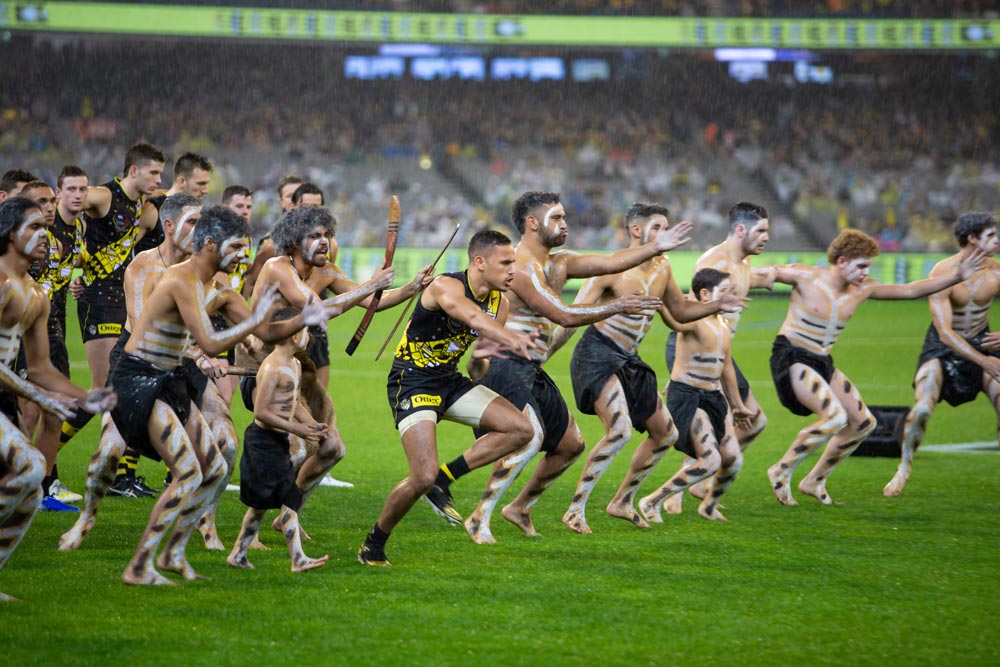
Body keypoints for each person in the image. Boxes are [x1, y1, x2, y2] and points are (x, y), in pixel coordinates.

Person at [83, 205, 332, 585]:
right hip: (137, 379)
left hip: (168, 380)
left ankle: (173, 554)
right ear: (211, 245)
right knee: (187, 471)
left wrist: (305, 318)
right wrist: (253, 319)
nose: (244, 256)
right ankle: (138, 566)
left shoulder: (223, 289)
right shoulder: (181, 280)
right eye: (237, 248)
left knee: (214, 468)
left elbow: (264, 333)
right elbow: (209, 342)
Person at [434, 191, 689, 545]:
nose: (564, 224)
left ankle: (519, 508)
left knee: (571, 444)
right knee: (530, 435)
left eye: (565, 216)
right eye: (556, 218)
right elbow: (564, 314)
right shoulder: (520, 265)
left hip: (532, 367)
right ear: (532, 223)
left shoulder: (560, 262)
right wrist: (617, 306)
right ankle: (479, 515)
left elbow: (611, 262)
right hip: (505, 362)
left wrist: (654, 246)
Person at [60, 194, 237, 552]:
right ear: (169, 227)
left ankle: (207, 522)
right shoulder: (143, 265)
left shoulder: (207, 267)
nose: (200, 231)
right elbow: (144, 324)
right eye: (192, 222)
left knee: (227, 444)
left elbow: (235, 315)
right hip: (139, 366)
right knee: (107, 455)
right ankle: (86, 517)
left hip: (184, 367)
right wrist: (202, 351)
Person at [557, 203, 746, 532]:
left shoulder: (663, 267)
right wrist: (542, 355)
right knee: (619, 431)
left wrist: (717, 304)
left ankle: (622, 501)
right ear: (636, 230)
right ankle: (576, 509)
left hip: (629, 358)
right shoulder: (613, 267)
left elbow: (681, 313)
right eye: (658, 227)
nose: (666, 234)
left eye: (666, 227)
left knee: (666, 433)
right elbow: (573, 315)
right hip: (597, 353)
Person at [765, 229, 985, 506]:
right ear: (842, 261)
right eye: (861, 265)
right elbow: (769, 271)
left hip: (822, 361)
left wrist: (956, 276)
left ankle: (814, 480)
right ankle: (781, 470)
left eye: (868, 266)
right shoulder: (807, 275)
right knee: (833, 417)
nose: (864, 272)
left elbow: (910, 290)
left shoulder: (864, 288)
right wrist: (738, 277)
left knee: (863, 423)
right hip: (791, 355)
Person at [359, 229, 538, 566]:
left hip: (450, 381)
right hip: (412, 381)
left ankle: (445, 477)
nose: (513, 269)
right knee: (420, 476)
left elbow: (480, 348)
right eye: (506, 262)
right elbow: (470, 317)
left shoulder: (501, 303)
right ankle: (374, 543)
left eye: (514, 262)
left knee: (520, 429)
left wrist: (480, 360)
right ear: (480, 262)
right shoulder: (445, 285)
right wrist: (511, 339)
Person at [242, 205, 406, 539]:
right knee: (296, 449)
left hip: (297, 370)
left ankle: (288, 514)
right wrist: (371, 284)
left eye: (326, 236)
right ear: (294, 239)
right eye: (314, 236)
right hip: (261, 370)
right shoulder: (278, 267)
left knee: (332, 448)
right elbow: (316, 308)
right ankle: (248, 536)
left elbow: (375, 300)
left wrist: (414, 287)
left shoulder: (328, 271)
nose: (323, 243)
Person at [0, 197, 116, 601]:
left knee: (27, 482)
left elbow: (41, 369)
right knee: (31, 467)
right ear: (9, 233)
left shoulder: (36, 294)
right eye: (32, 228)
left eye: (43, 230)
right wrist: (40, 399)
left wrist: (88, 396)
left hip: (6, 395)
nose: (43, 237)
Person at [62, 142, 164, 498]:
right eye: (154, 172)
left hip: (124, 302)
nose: (159, 179)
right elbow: (68, 206)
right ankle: (44, 460)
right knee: (103, 389)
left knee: (123, 388)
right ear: (133, 171)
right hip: (97, 301)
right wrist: (78, 261)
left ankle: (120, 476)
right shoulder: (104, 196)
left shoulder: (145, 209)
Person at [662, 201, 771, 513]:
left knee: (754, 421)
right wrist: (683, 369)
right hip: (697, 349)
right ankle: (680, 490)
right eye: (761, 231)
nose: (766, 238)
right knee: (712, 422)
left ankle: (698, 480)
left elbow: (765, 277)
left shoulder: (745, 266)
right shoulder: (714, 263)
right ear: (740, 230)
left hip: (721, 352)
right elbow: (688, 309)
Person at [884, 212, 1000, 496]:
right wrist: (985, 361)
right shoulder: (943, 273)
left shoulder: (996, 271)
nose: (997, 241)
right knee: (922, 407)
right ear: (972, 238)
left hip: (981, 339)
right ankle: (904, 467)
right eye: (992, 235)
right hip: (942, 347)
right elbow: (946, 333)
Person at [637, 269, 752, 523]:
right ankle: (651, 501)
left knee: (732, 460)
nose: (730, 298)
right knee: (710, 460)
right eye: (724, 293)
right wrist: (660, 306)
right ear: (705, 294)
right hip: (688, 396)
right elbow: (675, 320)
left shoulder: (722, 325)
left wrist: (738, 405)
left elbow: (727, 367)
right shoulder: (693, 319)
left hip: (713, 398)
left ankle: (708, 507)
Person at [228, 307, 330, 573]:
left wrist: (313, 425)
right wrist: (298, 431)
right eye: (306, 330)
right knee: (288, 497)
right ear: (295, 335)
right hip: (262, 442)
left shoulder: (295, 364)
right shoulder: (272, 367)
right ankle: (297, 559)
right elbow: (261, 412)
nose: (309, 336)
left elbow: (294, 404)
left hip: (278, 440)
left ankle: (238, 553)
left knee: (262, 506)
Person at [15, 178, 85, 510]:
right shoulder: (16, 243)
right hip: (21, 335)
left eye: (50, 201)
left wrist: (78, 282)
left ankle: (41, 488)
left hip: (51, 332)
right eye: (41, 201)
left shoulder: (55, 243)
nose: (49, 206)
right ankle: (16, 483)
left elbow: (65, 273)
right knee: (27, 414)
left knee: (55, 411)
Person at [241, 174, 302, 299]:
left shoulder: (325, 242)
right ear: (281, 201)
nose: (295, 200)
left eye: (299, 196)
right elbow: (252, 283)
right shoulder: (268, 244)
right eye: (290, 196)